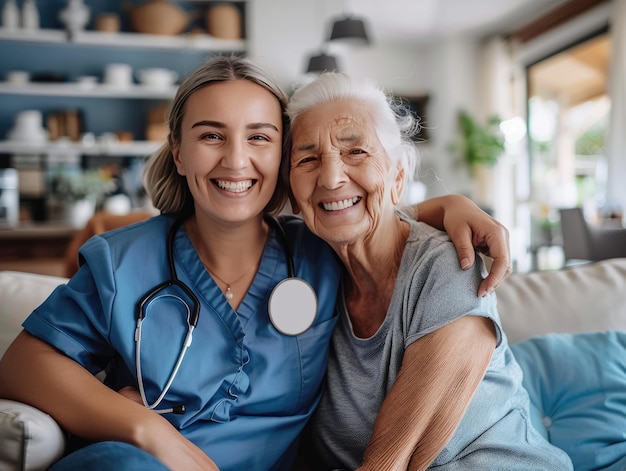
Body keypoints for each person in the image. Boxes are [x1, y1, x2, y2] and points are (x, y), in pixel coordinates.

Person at [0, 56, 510, 471]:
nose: (236, 161)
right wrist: (146, 430)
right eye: (211, 135)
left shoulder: (316, 252)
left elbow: (364, 211)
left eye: (260, 137)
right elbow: (22, 364)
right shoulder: (123, 261)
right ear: (178, 152)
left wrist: (451, 205)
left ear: (281, 163)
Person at [286, 72, 573, 470]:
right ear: (292, 193)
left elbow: (389, 463)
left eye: (356, 153)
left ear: (397, 177)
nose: (331, 177)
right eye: (308, 159)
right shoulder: (303, 266)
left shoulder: (447, 260)